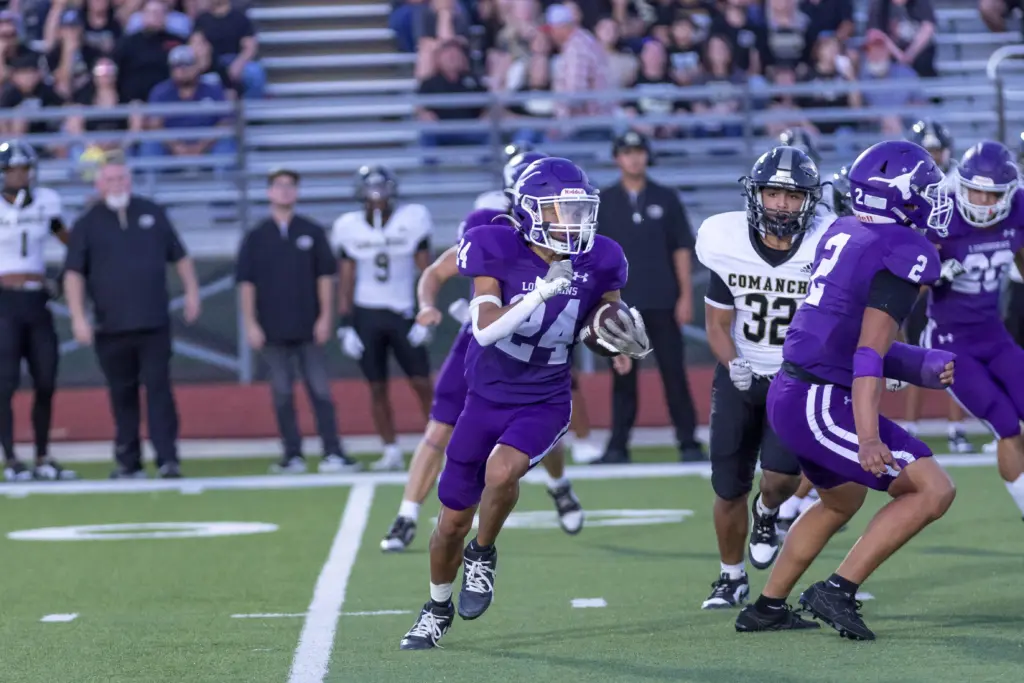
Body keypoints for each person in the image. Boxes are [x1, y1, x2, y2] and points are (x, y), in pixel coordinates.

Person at [398, 157, 650, 650]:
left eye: (580, 210)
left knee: (502, 472)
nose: (574, 222)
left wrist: (615, 338)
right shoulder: (495, 245)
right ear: (532, 211)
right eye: (561, 210)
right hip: (485, 397)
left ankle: (483, 553)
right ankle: (436, 607)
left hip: (545, 397)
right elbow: (486, 329)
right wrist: (539, 294)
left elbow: (604, 313)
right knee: (449, 523)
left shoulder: (602, 257)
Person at [736, 140, 957, 640]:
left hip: (798, 390)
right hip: (821, 398)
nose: (934, 199)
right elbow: (868, 354)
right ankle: (837, 590)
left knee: (841, 501)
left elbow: (848, 336)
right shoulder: (903, 249)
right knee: (934, 489)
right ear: (897, 196)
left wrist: (918, 364)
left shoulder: (846, 229)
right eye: (925, 190)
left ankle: (766, 608)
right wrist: (867, 436)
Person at [381, 150, 597, 551]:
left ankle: (558, 484)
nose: (561, 216)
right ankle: (406, 514)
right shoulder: (489, 227)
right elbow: (438, 270)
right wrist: (427, 306)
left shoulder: (572, 239)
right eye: (551, 205)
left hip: (539, 344)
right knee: (441, 425)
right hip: (483, 339)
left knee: (540, 425)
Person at [697, 145, 833, 609]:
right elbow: (717, 324)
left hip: (795, 377)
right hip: (740, 371)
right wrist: (732, 362)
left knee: (779, 479)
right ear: (756, 195)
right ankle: (731, 577)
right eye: (773, 193)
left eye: (793, 196)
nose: (781, 205)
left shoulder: (824, 245)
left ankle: (768, 511)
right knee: (727, 485)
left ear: (810, 201)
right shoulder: (728, 243)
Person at [64, 156, 200, 479]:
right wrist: (78, 317)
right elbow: (73, 273)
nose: (117, 185)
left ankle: (167, 458)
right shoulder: (87, 223)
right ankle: (129, 460)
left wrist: (192, 292)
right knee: (121, 394)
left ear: (130, 181)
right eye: (110, 179)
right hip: (110, 325)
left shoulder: (152, 212)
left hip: (153, 322)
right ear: (99, 185)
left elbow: (180, 256)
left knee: (159, 390)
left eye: (122, 178)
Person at [921, 141, 1024, 522]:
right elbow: (906, 287)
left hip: (993, 334)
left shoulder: (1018, 208)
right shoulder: (941, 214)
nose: (981, 201)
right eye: (974, 191)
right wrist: (932, 272)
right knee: (1005, 423)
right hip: (950, 341)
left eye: (991, 194)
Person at [236, 168, 359, 475]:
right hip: (272, 328)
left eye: (290, 185)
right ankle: (292, 455)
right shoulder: (256, 236)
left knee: (320, 391)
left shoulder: (312, 231)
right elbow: (246, 283)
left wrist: (325, 317)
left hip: (308, 326)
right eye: (279, 185)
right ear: (269, 192)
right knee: (281, 392)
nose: (285, 191)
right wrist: (250, 323)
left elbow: (325, 277)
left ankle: (333, 452)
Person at [596, 130, 702, 463]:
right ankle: (617, 446)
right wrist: (601, 304)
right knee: (622, 377)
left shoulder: (666, 197)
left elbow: (682, 249)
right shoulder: (604, 201)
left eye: (639, 151)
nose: (634, 158)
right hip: (621, 304)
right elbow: (596, 258)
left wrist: (685, 296)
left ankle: (688, 442)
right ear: (617, 158)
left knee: (674, 374)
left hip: (663, 300)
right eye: (627, 152)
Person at [333, 166, 434, 471]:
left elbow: (426, 272)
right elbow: (346, 277)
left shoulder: (413, 218)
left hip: (404, 312)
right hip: (367, 313)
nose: (377, 194)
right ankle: (390, 450)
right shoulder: (348, 226)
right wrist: (345, 324)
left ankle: (440, 446)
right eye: (371, 188)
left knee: (422, 383)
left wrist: (426, 312)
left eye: (382, 187)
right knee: (376, 386)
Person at [0, 141, 74, 481]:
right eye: (12, 170)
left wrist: (61, 278)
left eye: (24, 169)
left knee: (45, 379)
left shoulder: (47, 202)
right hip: (4, 302)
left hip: (36, 300)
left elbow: (72, 242)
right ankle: (11, 459)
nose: (19, 176)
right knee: (5, 383)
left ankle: (42, 456)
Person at [901, 119, 972, 452]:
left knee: (954, 357)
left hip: (954, 277)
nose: (932, 156)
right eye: (926, 150)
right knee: (915, 353)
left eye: (936, 150)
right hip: (919, 275)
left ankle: (956, 429)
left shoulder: (960, 182)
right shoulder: (906, 182)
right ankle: (910, 427)